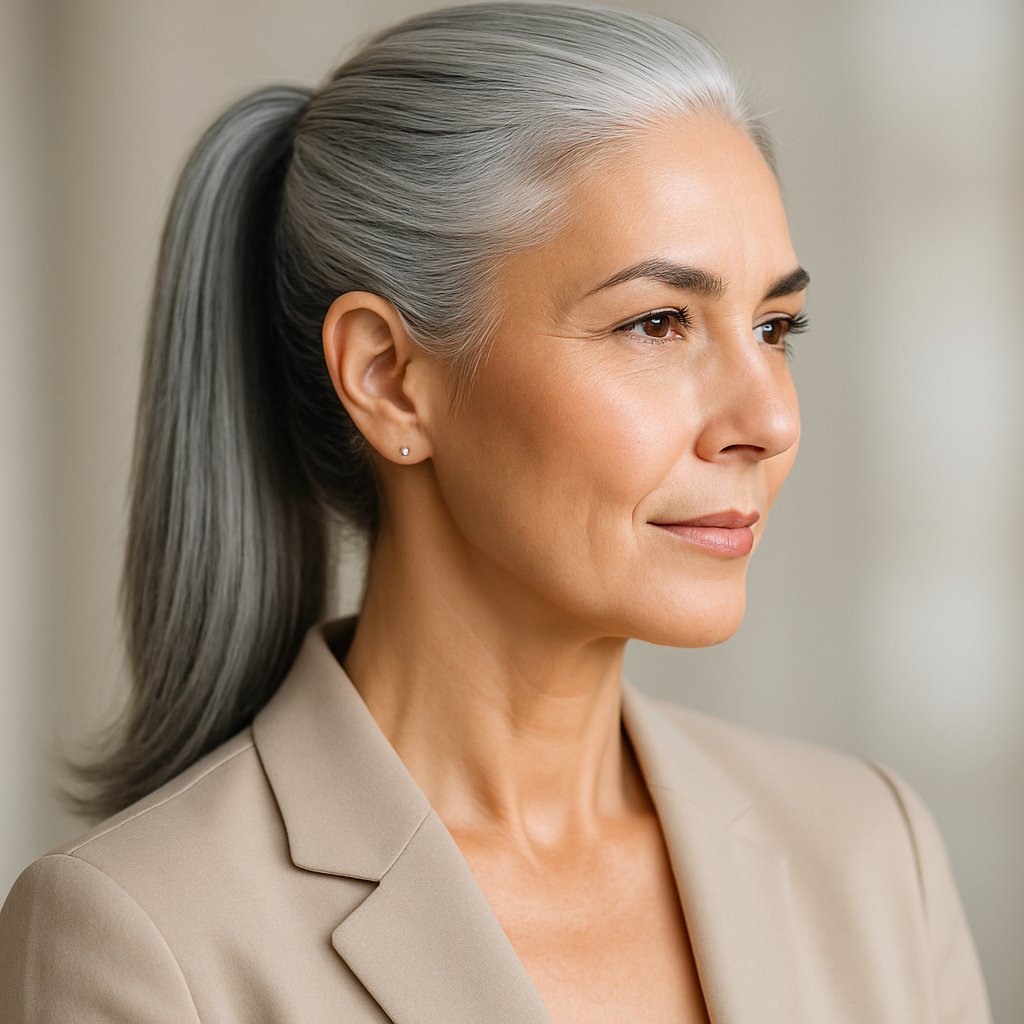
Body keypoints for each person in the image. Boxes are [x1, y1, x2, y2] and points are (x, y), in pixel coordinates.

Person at [0, 3, 991, 1021]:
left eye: (775, 325)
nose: (771, 417)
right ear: (388, 378)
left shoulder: (871, 855)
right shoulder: (144, 937)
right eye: (658, 322)